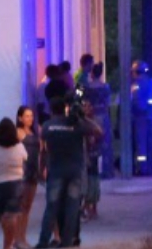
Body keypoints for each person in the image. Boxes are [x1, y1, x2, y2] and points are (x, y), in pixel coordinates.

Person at [36, 97, 102, 249]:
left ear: (51, 110)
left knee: (51, 207)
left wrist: (41, 169)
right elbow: (98, 131)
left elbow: (43, 151)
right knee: (72, 208)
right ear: (65, 108)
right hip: (74, 171)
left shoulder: (47, 126)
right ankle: (67, 242)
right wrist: (83, 117)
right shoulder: (76, 124)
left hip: (56, 170)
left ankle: (43, 242)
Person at [0, 119, 27, 249]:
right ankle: (7, 246)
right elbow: (25, 157)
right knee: (11, 216)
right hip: (14, 184)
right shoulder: (19, 146)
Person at [130, 60, 152, 176]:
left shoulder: (135, 85)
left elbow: (135, 101)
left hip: (141, 118)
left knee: (141, 145)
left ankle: (143, 169)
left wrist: (139, 110)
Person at [14, 107, 40, 249]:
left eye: (31, 116)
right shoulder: (18, 133)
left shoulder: (34, 132)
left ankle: (22, 237)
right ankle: (17, 239)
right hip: (23, 173)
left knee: (27, 208)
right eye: (27, 116)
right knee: (20, 207)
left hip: (34, 171)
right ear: (20, 118)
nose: (30, 118)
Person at [82, 64, 113, 179]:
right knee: (105, 145)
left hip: (91, 116)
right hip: (103, 116)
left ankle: (91, 170)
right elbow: (108, 103)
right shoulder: (105, 87)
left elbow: (78, 97)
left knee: (90, 144)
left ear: (92, 73)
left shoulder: (85, 86)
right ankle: (106, 170)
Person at [81, 101, 101, 222]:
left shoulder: (94, 121)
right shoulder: (78, 122)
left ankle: (93, 207)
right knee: (86, 183)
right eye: (84, 107)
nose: (86, 110)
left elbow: (99, 133)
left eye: (89, 107)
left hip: (94, 155)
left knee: (94, 182)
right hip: (83, 156)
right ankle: (86, 207)